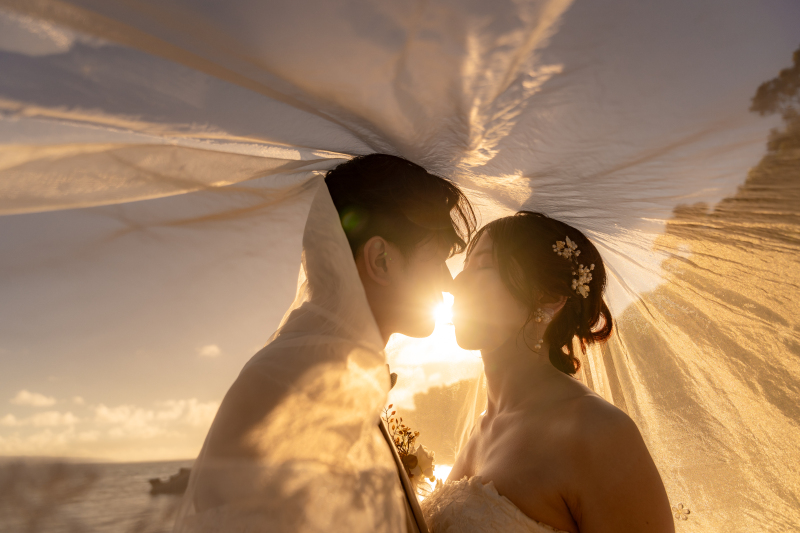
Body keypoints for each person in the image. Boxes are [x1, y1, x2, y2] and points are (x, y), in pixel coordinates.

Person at [174, 154, 475, 533]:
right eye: (435, 260)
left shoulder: (324, 365)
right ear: (380, 260)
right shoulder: (297, 383)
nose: (447, 283)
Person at [422, 212, 674, 533]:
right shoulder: (483, 425)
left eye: (483, 266)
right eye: (465, 266)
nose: (456, 282)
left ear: (550, 298)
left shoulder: (598, 432)